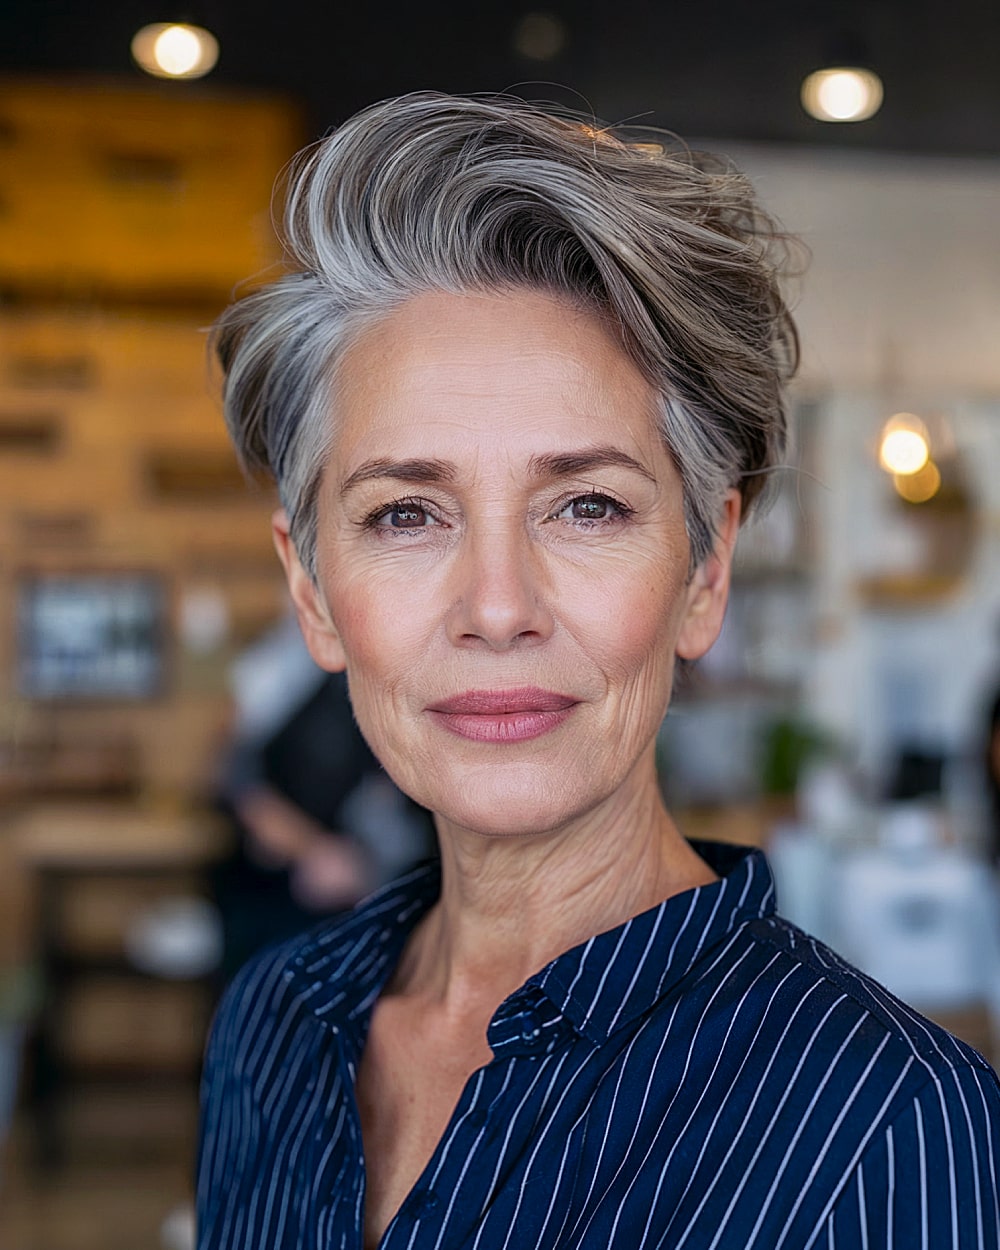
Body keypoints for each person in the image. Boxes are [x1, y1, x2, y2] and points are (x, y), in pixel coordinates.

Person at [197, 92, 1000, 1249]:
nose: (497, 607)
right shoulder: (273, 1025)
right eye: (407, 513)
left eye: (586, 504)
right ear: (314, 589)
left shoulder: (892, 1129)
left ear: (706, 567)